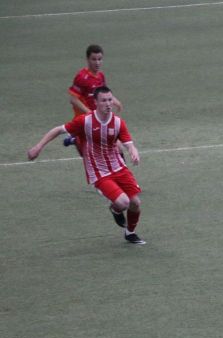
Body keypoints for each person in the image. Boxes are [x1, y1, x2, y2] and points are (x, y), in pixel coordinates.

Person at [27, 86, 146, 245]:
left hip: (119, 167)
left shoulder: (118, 123)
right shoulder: (85, 121)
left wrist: (133, 151)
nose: (108, 104)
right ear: (95, 102)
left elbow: (128, 143)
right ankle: (115, 209)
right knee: (123, 202)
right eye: (103, 100)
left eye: (110, 100)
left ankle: (130, 233)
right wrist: (38, 147)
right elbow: (58, 130)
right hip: (99, 172)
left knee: (135, 203)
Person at [63, 44, 123, 152]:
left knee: (117, 147)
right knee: (88, 154)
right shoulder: (82, 77)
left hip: (98, 118)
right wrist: (89, 113)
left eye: (99, 59)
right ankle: (75, 138)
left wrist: (116, 101)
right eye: (94, 59)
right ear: (87, 60)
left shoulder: (101, 76)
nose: (97, 62)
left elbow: (104, 94)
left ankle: (74, 138)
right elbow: (73, 99)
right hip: (84, 120)